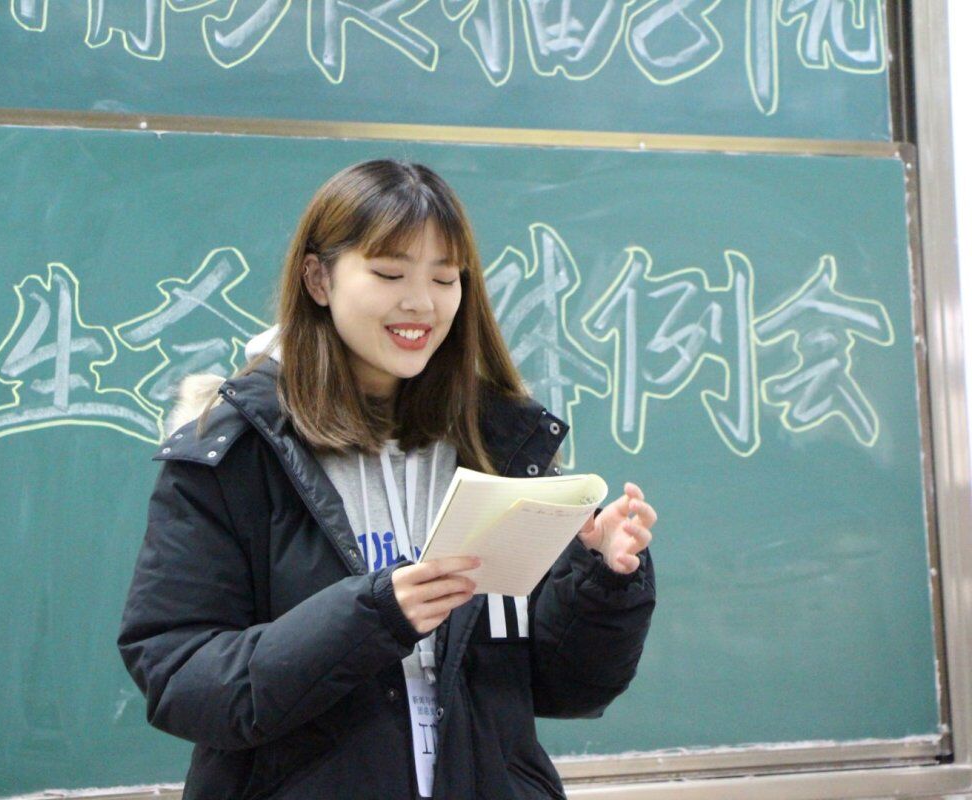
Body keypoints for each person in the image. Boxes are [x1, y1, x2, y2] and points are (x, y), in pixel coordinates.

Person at [117, 159, 657, 800]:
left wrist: (600, 582)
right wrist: (372, 617)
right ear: (318, 278)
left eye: (445, 278)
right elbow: (179, 677)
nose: (421, 302)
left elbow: (568, 689)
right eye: (389, 273)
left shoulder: (498, 444)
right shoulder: (236, 452)